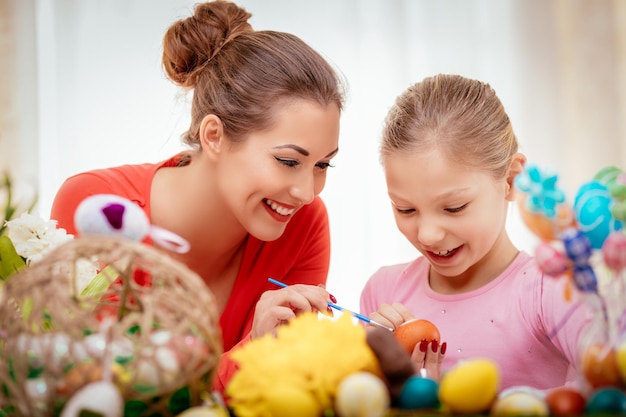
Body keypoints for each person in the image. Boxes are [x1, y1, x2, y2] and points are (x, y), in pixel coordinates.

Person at [50, 0, 344, 393]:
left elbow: (280, 394)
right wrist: (253, 352)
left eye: (323, 165)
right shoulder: (95, 208)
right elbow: (104, 391)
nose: (307, 193)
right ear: (214, 136)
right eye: (289, 161)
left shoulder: (304, 225)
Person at [360, 74, 593, 391]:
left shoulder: (551, 289)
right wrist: (381, 381)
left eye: (454, 207)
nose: (427, 235)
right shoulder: (383, 293)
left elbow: (605, 394)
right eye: (405, 209)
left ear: (511, 180)